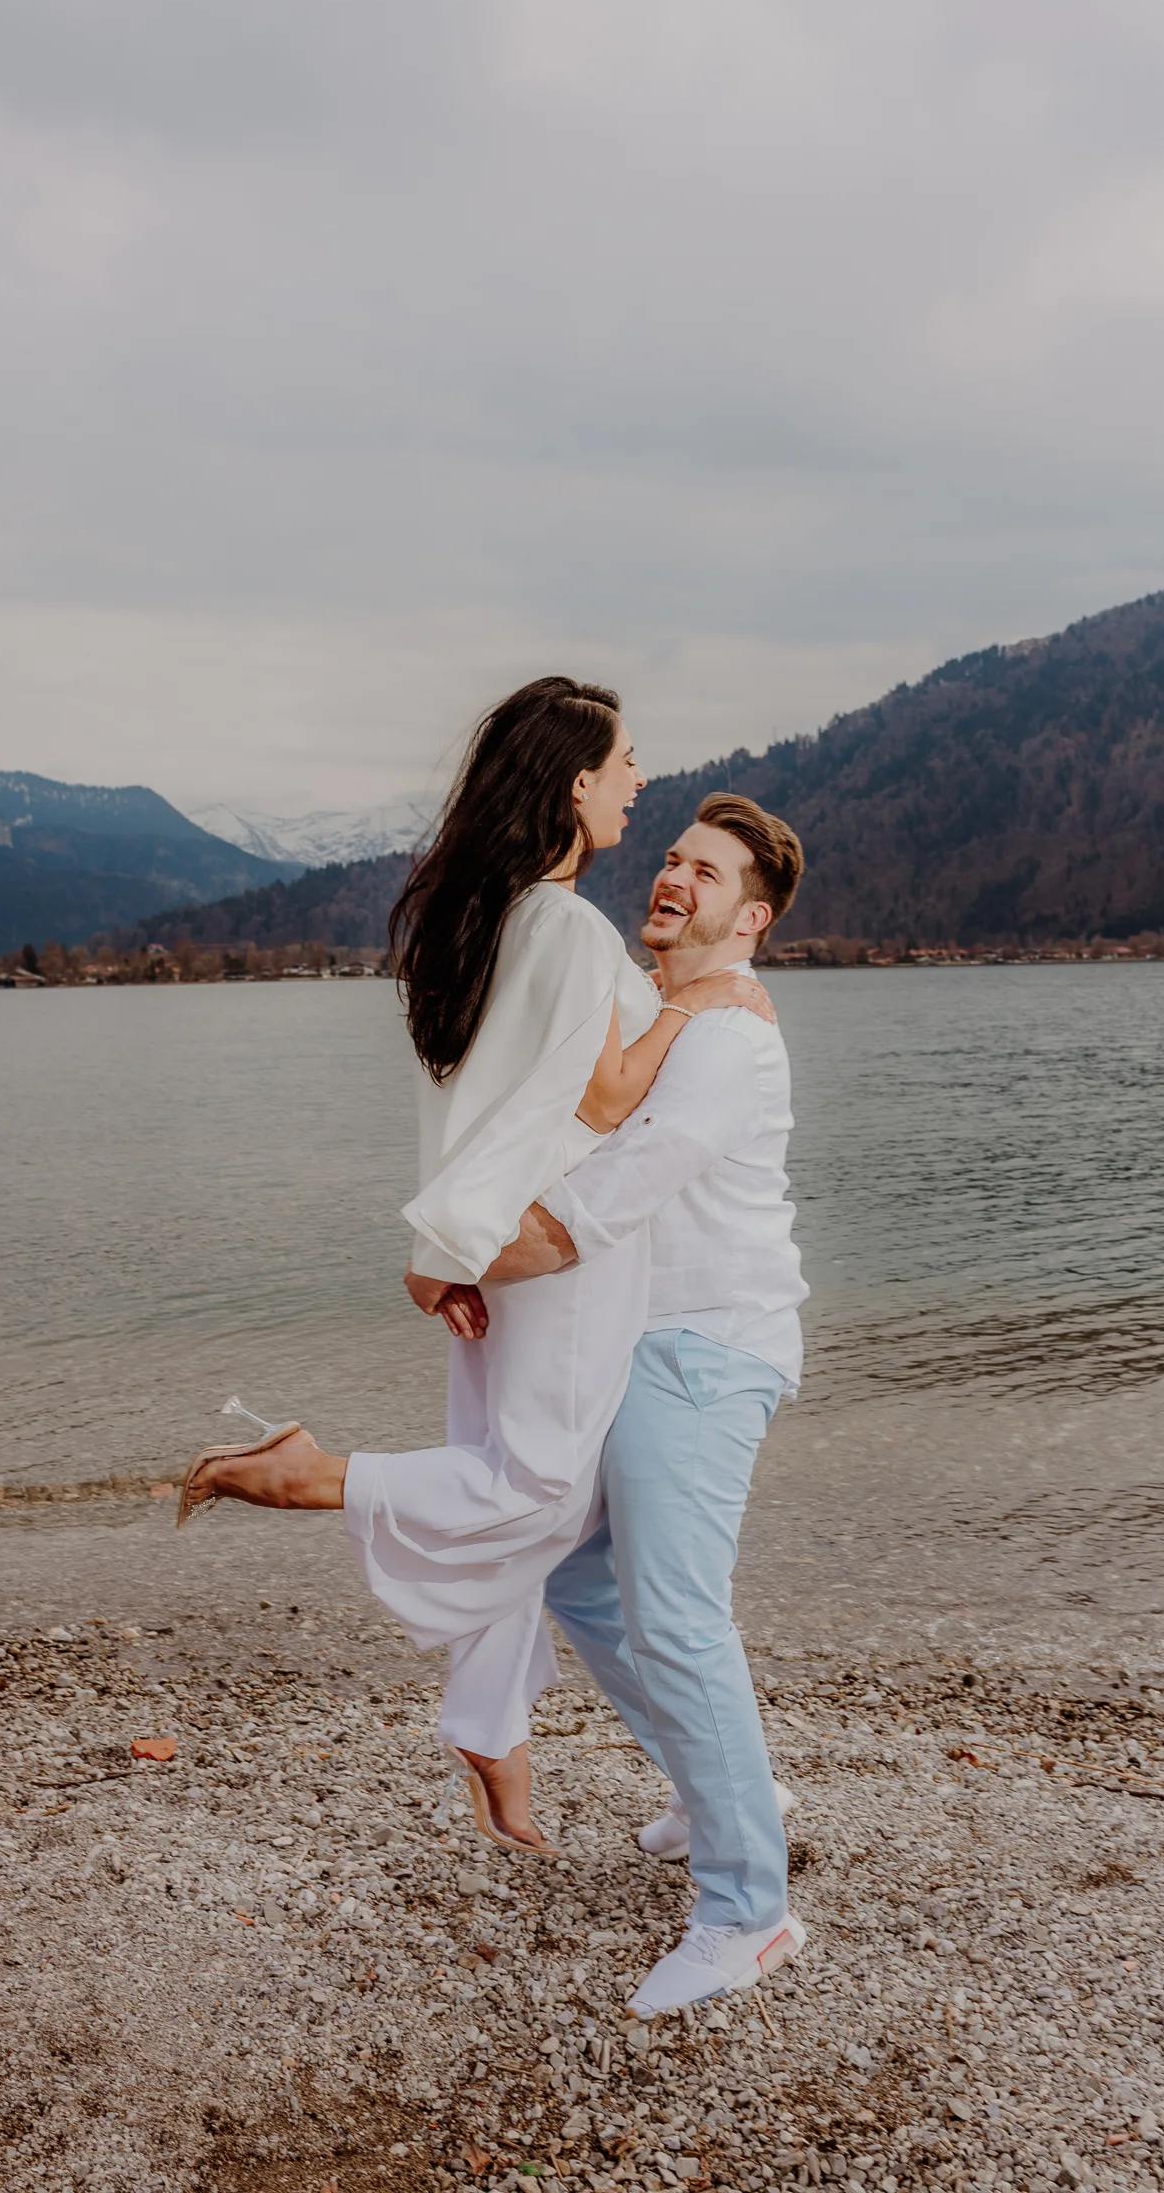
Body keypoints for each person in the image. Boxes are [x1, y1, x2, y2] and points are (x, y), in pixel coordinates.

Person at [176, 679, 768, 1853]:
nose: (639, 782)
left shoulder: (483, 917)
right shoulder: (562, 924)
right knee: (539, 1492)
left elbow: (479, 1102)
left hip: (490, 1248)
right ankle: (311, 1473)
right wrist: (698, 1005)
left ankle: (494, 1738)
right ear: (576, 782)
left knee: (531, 1506)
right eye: (627, 762)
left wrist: (444, 1247)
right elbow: (602, 1096)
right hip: (552, 1256)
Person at [463, 793, 810, 2016]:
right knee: (578, 1575)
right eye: (671, 857)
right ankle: (719, 1792)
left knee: (674, 1616)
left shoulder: (730, 1038)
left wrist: (456, 1256)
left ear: (752, 917)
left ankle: (747, 1911)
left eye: (706, 874)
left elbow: (612, 1192)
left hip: (706, 1354)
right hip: (645, 1349)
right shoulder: (673, 1017)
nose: (672, 878)